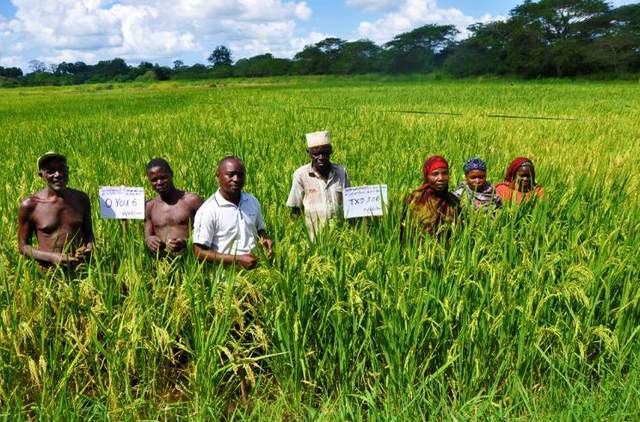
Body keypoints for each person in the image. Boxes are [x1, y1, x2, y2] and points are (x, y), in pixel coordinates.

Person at [192, 156, 273, 270]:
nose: (236, 179)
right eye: (230, 174)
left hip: (256, 272)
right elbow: (199, 252)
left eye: (240, 175)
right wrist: (237, 259)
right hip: (225, 281)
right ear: (218, 176)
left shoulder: (252, 201)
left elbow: (260, 230)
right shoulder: (208, 210)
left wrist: (265, 239)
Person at [18, 152, 94, 267]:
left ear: (68, 170)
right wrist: (51, 257)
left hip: (80, 270)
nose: (58, 174)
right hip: (49, 274)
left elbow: (89, 236)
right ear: (41, 174)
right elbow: (23, 246)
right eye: (50, 171)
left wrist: (89, 249)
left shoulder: (81, 199)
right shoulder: (30, 205)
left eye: (62, 169)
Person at [287, 131, 350, 239]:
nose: (321, 157)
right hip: (313, 239)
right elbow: (295, 210)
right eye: (316, 153)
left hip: (341, 237)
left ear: (330, 152)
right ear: (309, 153)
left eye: (325, 153)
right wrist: (291, 236)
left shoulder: (341, 172)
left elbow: (350, 202)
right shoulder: (301, 175)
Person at [144, 158, 204, 255]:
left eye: (163, 177)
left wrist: (186, 242)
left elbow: (208, 230)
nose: (159, 183)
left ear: (171, 174)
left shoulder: (193, 201)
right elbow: (147, 236)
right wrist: (150, 240)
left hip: (191, 259)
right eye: (154, 180)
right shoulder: (150, 206)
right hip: (162, 262)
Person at [401, 155, 460, 239]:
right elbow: (402, 228)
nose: (441, 178)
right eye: (435, 174)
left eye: (444, 173)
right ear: (427, 176)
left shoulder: (453, 202)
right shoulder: (415, 199)